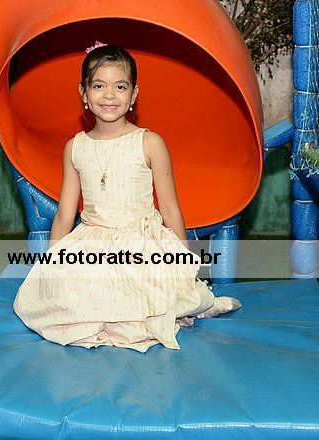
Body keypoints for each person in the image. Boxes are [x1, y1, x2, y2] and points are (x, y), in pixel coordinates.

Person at [13, 43, 241, 352]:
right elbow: (65, 214)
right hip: (92, 243)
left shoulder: (149, 143)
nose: (109, 95)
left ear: (133, 95)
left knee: (145, 299)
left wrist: (184, 266)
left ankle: (193, 301)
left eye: (120, 87)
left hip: (140, 244)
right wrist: (51, 265)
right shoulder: (75, 147)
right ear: (83, 93)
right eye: (99, 86)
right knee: (64, 294)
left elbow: (170, 209)